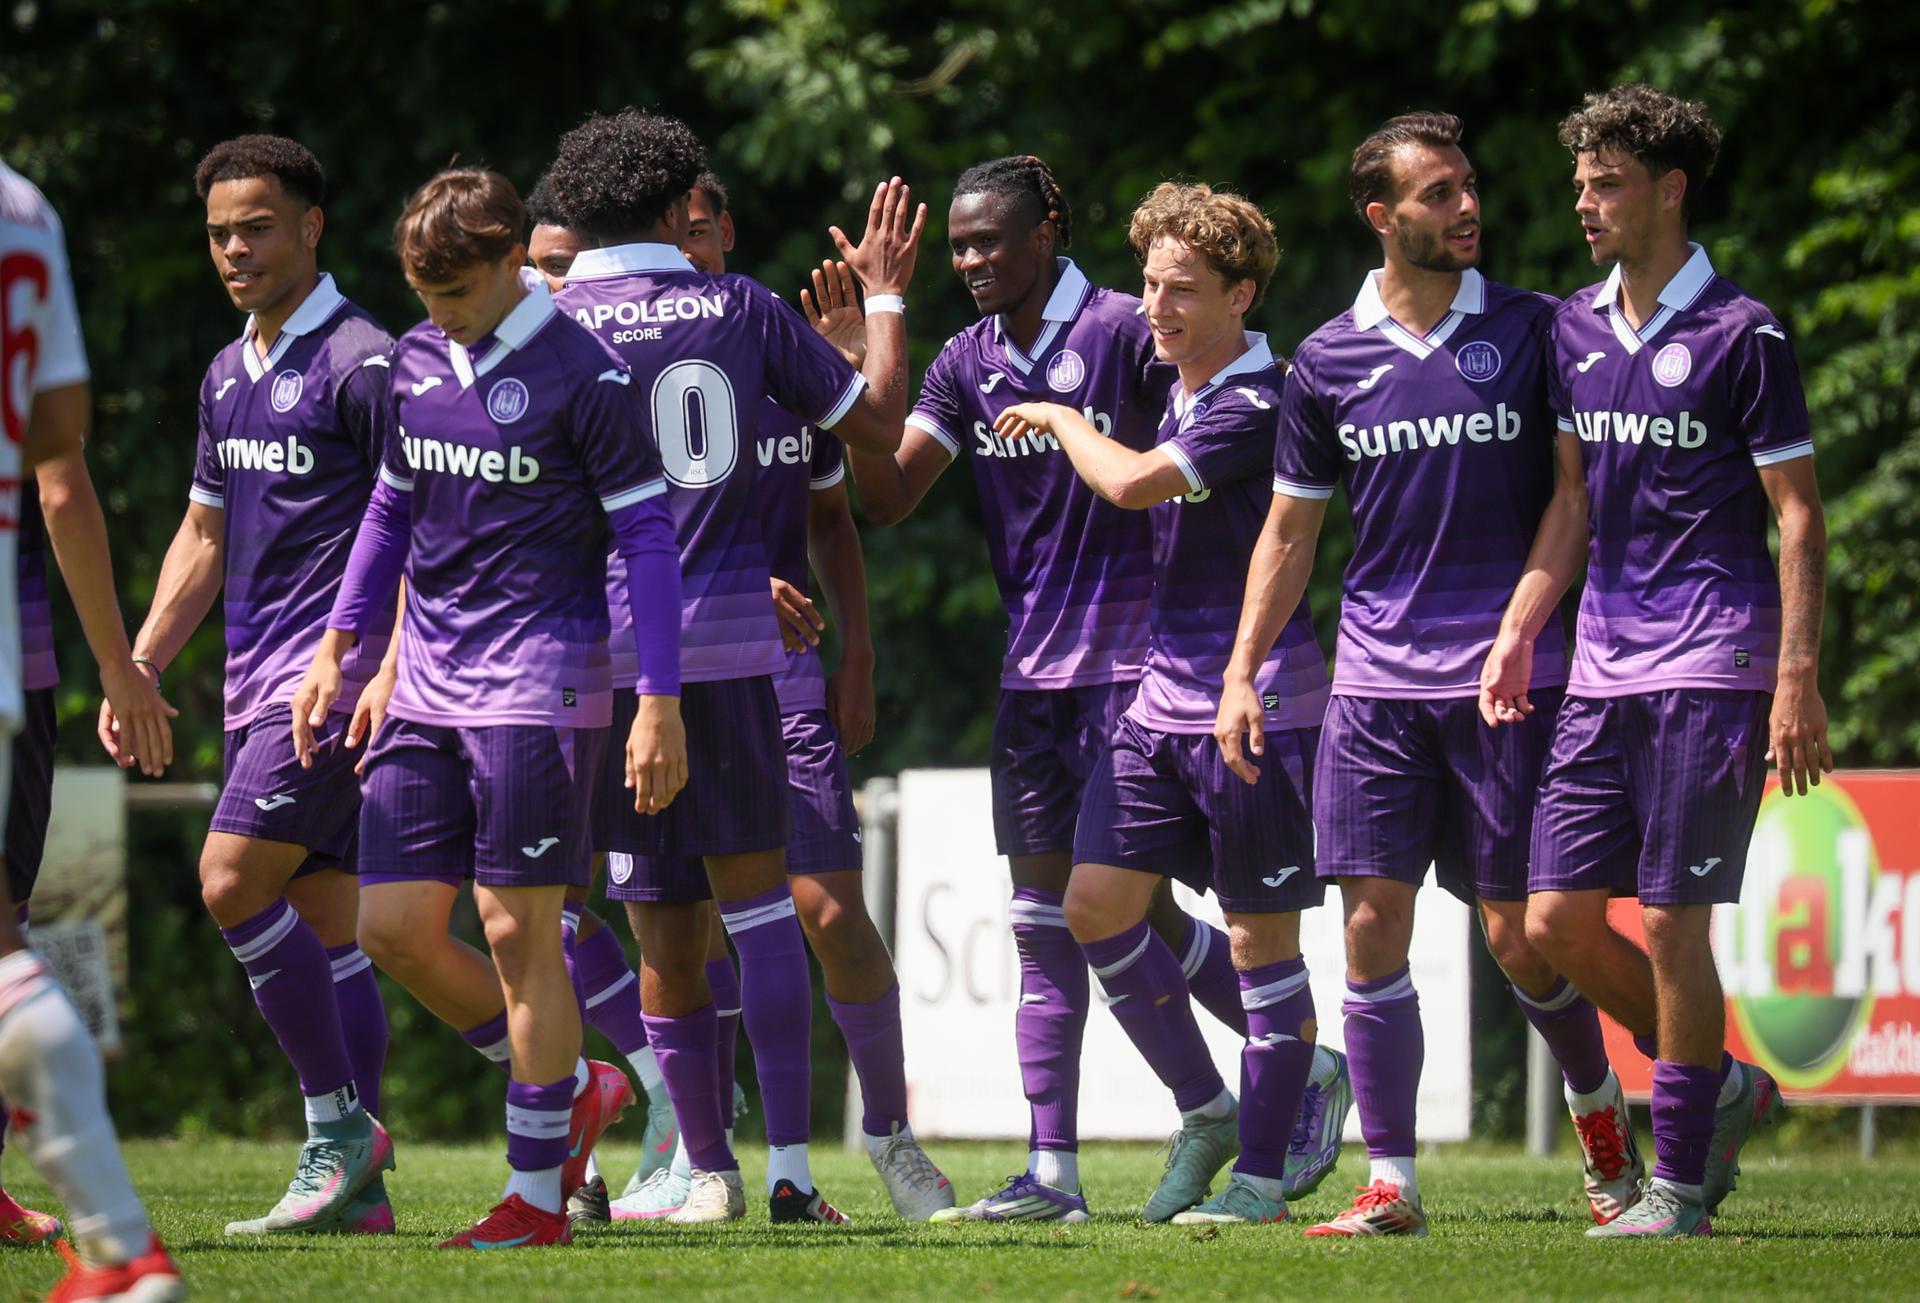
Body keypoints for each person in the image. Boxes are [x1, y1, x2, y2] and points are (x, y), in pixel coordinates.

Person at [850, 157, 1344, 1223]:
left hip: (1151, 670)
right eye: (960, 247)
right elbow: (884, 492)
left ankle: (1279, 1088)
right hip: (1034, 675)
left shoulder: (1133, 329)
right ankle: (1063, 1173)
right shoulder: (966, 359)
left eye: (992, 240)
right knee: (1057, 919)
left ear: (1051, 231)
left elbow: (1175, 467)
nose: (974, 261)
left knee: (1194, 923)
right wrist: (858, 364)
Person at [1220, 112, 1641, 1238]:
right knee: (1368, 925)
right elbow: (1290, 535)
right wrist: (1243, 670)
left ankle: (1602, 1112)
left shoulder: (1534, 327)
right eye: (1439, 193)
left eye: (1468, 187)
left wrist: (1520, 625)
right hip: (1374, 687)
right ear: (1382, 216)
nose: (1468, 207)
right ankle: (1392, 1182)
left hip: (1513, 680)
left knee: (1519, 932)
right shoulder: (1325, 360)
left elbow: (1575, 497)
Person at [295, 166, 685, 1250]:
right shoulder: (415, 358)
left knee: (521, 930)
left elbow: (649, 544)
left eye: (457, 291)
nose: (438, 313)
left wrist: (660, 701)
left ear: (517, 259)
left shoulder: (588, 377)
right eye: (424, 294)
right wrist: (341, 643)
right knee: (393, 929)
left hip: (539, 687)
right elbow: (390, 507)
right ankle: (579, 1091)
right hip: (420, 685)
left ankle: (536, 1196)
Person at [543, 108, 920, 1226]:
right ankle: (797, 1170)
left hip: (598, 664)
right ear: (675, 210)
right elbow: (880, 425)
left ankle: (706, 1169)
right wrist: (886, 305)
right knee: (759, 912)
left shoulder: (545, 322)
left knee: (656, 923)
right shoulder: (743, 306)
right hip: (732, 655)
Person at [1483, 84, 1823, 1237]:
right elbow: (1573, 499)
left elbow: (1800, 515)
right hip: (1601, 666)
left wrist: (1796, 675)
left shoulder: (1745, 332)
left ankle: (1676, 1182)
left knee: (1677, 921)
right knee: (1553, 925)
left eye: (1607, 181)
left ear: (1670, 190)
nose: (1584, 200)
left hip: (1715, 665)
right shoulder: (1573, 329)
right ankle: (1719, 1083)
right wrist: (1526, 620)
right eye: (1579, 181)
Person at [992, 181, 1335, 1227]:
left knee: (1256, 941)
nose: (1155, 306)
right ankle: (1210, 1105)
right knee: (1094, 906)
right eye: (1148, 284)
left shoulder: (1257, 398)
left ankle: (1265, 1179)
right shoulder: (1178, 381)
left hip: (1260, 700)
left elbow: (1135, 484)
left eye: (1182, 289)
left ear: (1242, 294)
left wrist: (1055, 414)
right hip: (1161, 699)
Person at [109, 134, 396, 1237]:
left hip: (328, 686)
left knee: (229, 881)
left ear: (311, 226)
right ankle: (358, 1190)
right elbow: (200, 531)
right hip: (247, 683)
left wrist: (388, 664)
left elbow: (420, 522)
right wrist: (139, 659)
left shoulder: (363, 361)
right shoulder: (229, 371)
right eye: (222, 230)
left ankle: (338, 1129)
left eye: (258, 225)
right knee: (328, 930)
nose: (235, 248)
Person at [0, 154, 184, 1302]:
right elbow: (58, 437)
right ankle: (117, 1246)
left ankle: (120, 1245)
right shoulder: (24, 206)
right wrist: (118, 669)